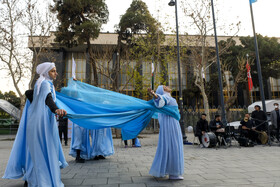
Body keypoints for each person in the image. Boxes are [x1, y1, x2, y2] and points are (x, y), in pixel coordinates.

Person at [3, 62, 68, 187]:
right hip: (40, 123)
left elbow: (35, 95)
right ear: (46, 73)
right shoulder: (44, 84)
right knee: (41, 149)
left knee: (36, 149)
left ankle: (31, 176)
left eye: (55, 70)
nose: (56, 73)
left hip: (40, 121)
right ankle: (37, 178)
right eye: (53, 71)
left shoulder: (43, 83)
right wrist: (55, 110)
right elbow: (47, 98)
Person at [148, 86, 184, 180]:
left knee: (170, 146)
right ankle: (173, 173)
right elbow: (160, 101)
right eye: (165, 87)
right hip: (171, 124)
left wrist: (155, 95)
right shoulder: (166, 97)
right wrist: (155, 95)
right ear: (163, 91)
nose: (167, 87)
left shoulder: (169, 97)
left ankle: (168, 171)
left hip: (171, 123)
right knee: (174, 146)